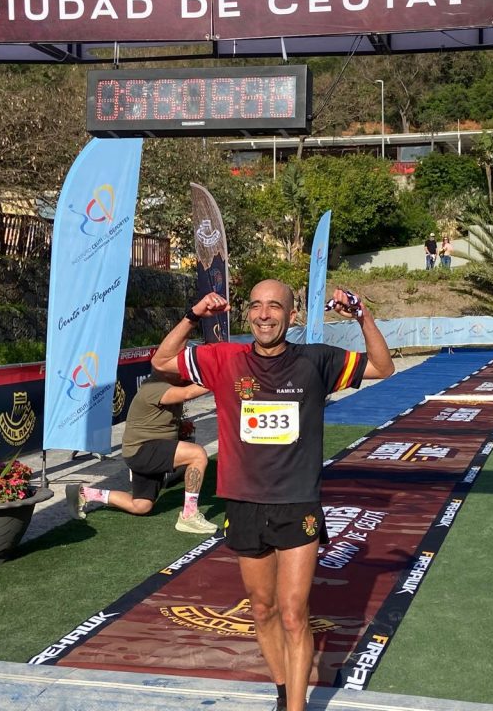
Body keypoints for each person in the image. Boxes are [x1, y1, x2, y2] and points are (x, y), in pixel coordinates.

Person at [152, 280, 394, 711]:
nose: (265, 315)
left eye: (275, 307)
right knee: (262, 609)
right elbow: (161, 360)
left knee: (294, 613)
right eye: (257, 306)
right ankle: (284, 692)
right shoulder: (226, 359)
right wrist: (193, 315)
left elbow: (382, 367)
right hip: (244, 503)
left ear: (292, 315)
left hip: (297, 503)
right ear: (248, 314)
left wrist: (362, 314)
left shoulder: (316, 361)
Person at [65, 375, 217, 534]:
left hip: (146, 449)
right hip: (142, 450)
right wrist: (219, 378)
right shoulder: (155, 386)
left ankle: (84, 493)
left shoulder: (172, 383)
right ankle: (189, 516)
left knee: (141, 506)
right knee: (197, 454)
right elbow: (188, 393)